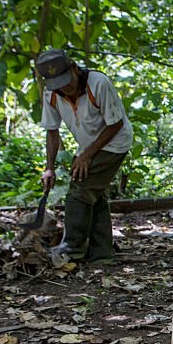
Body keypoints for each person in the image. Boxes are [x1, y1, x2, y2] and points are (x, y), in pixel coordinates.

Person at [35, 49, 133, 264]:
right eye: (58, 85)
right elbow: (52, 131)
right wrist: (49, 168)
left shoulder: (98, 83)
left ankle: (72, 248)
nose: (65, 88)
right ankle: (102, 253)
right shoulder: (51, 94)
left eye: (66, 81)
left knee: (80, 187)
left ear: (74, 69)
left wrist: (87, 155)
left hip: (114, 142)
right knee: (94, 193)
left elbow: (115, 123)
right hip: (88, 145)